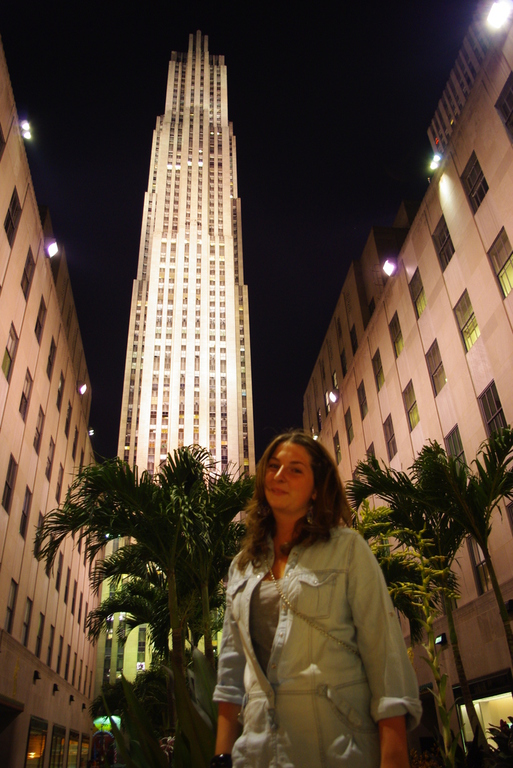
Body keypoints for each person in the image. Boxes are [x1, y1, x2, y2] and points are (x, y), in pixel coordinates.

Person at [212, 430, 422, 768]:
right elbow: (231, 669)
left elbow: (385, 656)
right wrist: (222, 756)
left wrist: (394, 757)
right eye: (273, 466)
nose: (279, 475)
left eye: (295, 469)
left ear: (315, 489)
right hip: (258, 752)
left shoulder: (347, 549)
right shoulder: (242, 567)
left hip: (338, 748)